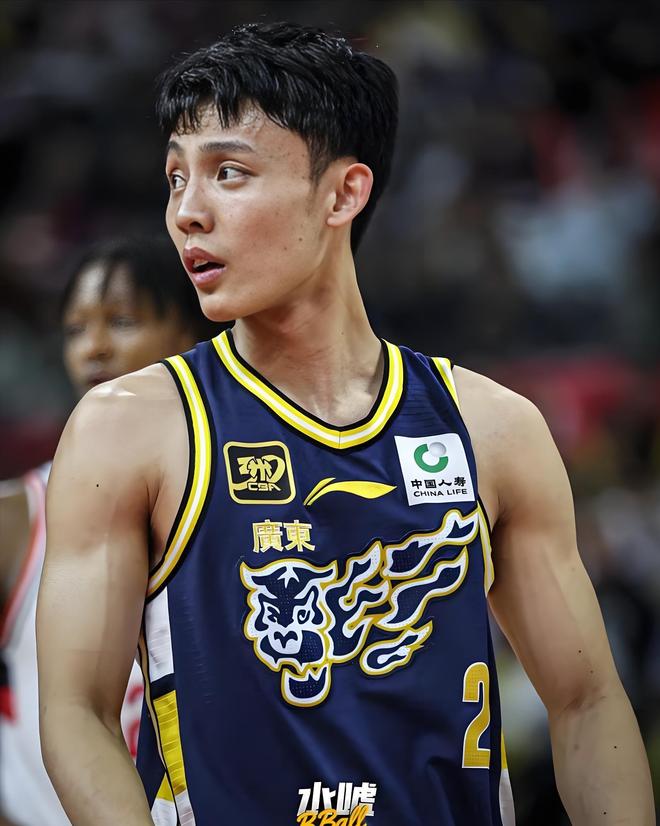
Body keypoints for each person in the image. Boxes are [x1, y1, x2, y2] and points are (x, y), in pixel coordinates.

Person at [36, 22, 654, 826]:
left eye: (228, 173)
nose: (186, 213)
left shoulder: (493, 429)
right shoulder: (129, 429)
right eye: (175, 178)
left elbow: (588, 703)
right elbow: (76, 716)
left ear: (342, 194)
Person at [0, 235, 212, 825]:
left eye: (121, 321)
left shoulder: (257, 496)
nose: (91, 348)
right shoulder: (17, 518)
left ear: (195, 335)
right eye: (75, 330)